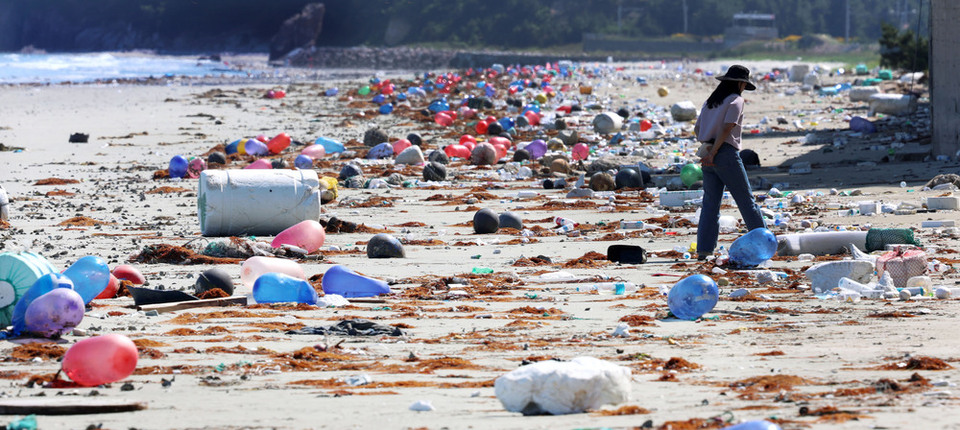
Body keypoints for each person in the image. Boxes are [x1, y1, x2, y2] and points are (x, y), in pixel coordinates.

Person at [693, 65, 766, 261]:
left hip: (707, 151)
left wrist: (708, 150)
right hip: (724, 153)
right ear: (741, 84)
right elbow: (727, 127)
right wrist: (716, 151)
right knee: (746, 201)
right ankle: (764, 244)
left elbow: (697, 129)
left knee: (710, 204)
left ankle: (704, 250)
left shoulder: (710, 103)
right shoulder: (736, 100)